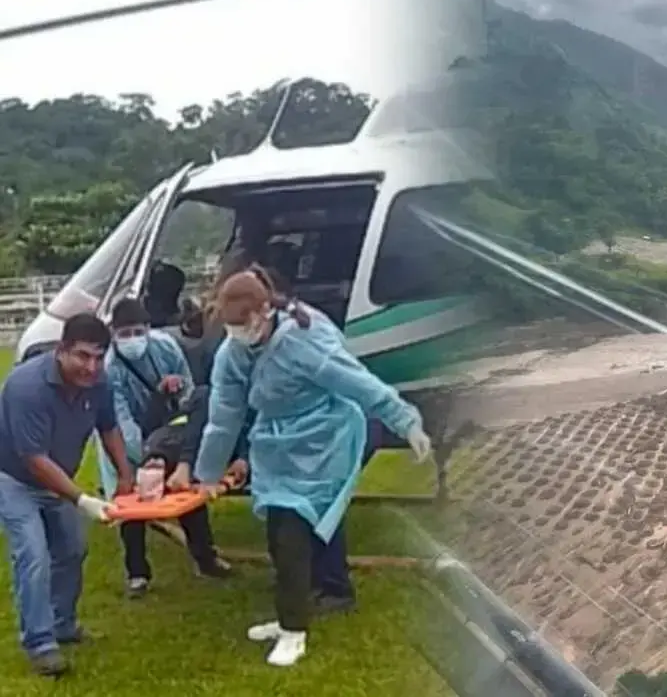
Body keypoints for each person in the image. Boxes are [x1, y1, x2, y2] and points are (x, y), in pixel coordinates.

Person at [193, 266, 432, 667]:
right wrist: (207, 475)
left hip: (324, 441)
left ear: (265, 311)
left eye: (242, 324)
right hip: (277, 447)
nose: (236, 333)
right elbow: (224, 415)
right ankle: (293, 613)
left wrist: (405, 420)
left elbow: (359, 382)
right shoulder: (232, 354)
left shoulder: (304, 342)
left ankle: (294, 631)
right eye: (230, 326)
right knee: (279, 536)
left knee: (292, 539)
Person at [0, 313, 134, 677]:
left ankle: (63, 624)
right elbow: (34, 459)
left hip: (58, 477)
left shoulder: (98, 382)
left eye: (98, 357)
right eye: (82, 356)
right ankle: (41, 643)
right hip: (12, 477)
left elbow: (108, 427)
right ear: (61, 350)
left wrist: (125, 474)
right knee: (33, 553)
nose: (91, 367)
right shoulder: (26, 386)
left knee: (73, 548)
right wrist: (83, 499)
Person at [102, 298, 233, 598]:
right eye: (124, 333)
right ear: (113, 333)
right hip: (126, 439)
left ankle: (206, 559)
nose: (131, 339)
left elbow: (189, 395)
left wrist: (173, 440)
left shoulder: (166, 347)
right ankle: (137, 574)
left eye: (137, 331)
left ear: (148, 329)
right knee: (131, 505)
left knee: (186, 494)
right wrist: (147, 459)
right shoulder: (111, 369)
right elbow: (120, 421)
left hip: (167, 428)